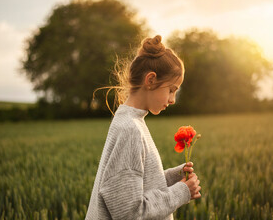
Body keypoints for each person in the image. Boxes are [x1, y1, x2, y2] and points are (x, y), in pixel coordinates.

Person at [86, 35, 202, 220]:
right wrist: (181, 192)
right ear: (151, 80)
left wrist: (173, 177)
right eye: (171, 90)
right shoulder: (130, 129)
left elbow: (134, 186)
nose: (172, 100)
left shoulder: (130, 120)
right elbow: (129, 212)